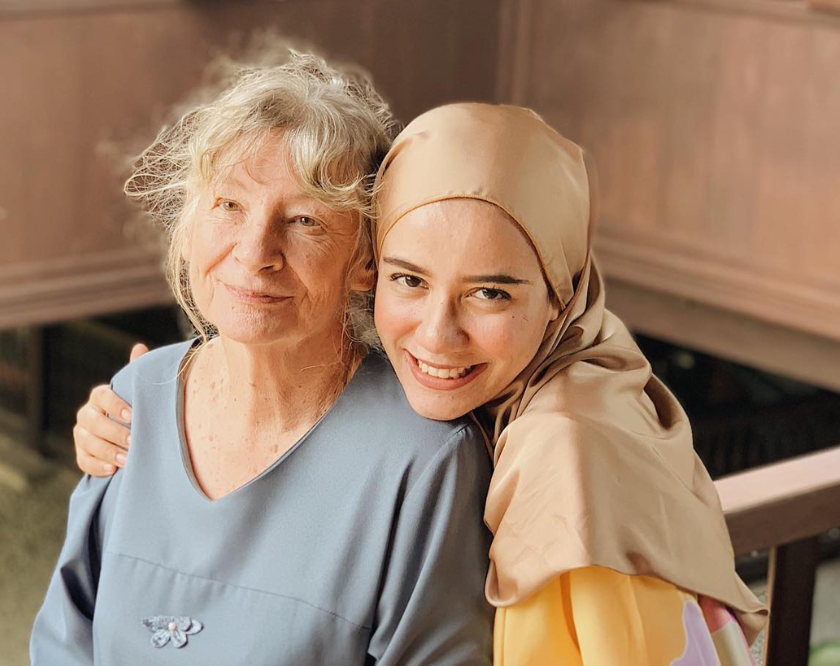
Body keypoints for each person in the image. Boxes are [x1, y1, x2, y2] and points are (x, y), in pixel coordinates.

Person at [75, 102, 769, 663]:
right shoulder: (145, 395)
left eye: (490, 293)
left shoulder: (566, 457)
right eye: (411, 278)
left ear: (561, 295)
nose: (437, 335)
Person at [31, 54, 495, 666]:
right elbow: (64, 638)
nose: (255, 252)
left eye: (303, 220)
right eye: (229, 205)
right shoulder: (133, 396)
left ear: (366, 261)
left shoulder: (425, 461)